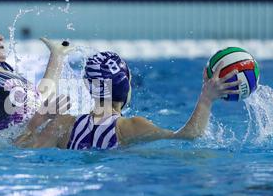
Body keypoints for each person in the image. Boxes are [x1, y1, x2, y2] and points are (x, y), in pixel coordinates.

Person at [15, 51, 242, 149]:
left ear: (88, 86)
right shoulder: (130, 127)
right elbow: (188, 137)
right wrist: (206, 98)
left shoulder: (63, 124)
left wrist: (39, 118)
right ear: (125, 86)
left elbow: (20, 150)